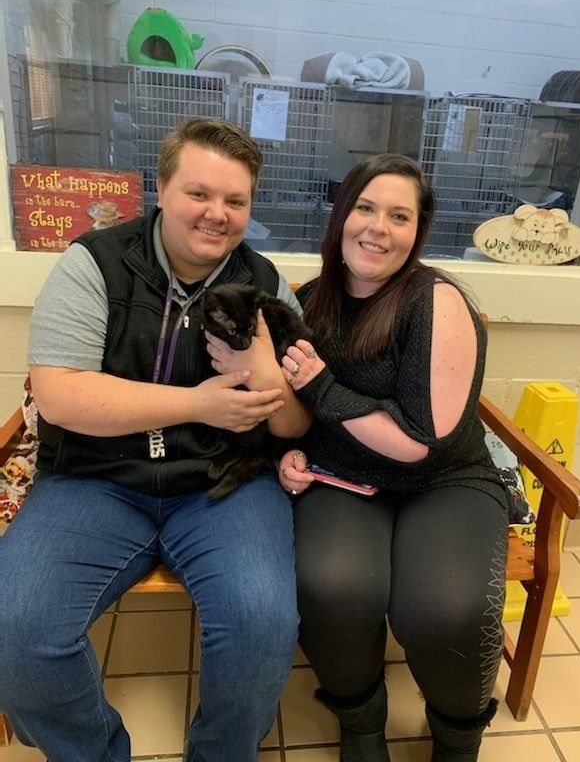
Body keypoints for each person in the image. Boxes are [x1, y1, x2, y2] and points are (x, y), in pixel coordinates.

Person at [0, 118, 310, 762]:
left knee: (262, 624)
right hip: (97, 478)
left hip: (224, 486)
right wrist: (200, 403)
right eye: (199, 193)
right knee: (15, 630)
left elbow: (293, 426)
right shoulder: (94, 262)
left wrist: (266, 374)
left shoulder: (266, 284)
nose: (217, 215)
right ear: (161, 190)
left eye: (236, 201)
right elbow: (59, 394)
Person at [275, 154, 509, 761]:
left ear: (417, 231)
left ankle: (458, 740)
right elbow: (293, 413)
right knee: (330, 586)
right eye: (366, 208)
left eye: (399, 216)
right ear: (341, 216)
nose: (379, 228)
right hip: (345, 474)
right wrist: (289, 455)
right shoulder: (305, 301)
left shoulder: (438, 301)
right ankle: (361, 724)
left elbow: (418, 441)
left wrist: (324, 387)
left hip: (445, 478)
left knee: (445, 610)